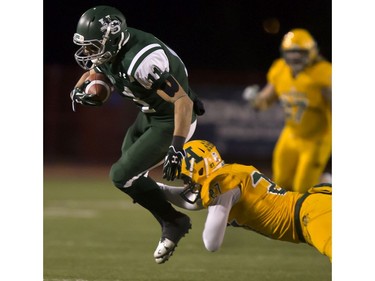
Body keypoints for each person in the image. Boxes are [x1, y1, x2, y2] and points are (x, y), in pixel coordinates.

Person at [69, 5, 205, 264]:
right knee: (130, 171)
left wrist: (176, 147)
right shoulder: (114, 47)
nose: (88, 53)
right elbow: (98, 72)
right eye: (86, 46)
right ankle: (177, 206)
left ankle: (177, 217)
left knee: (121, 175)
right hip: (150, 113)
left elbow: (183, 103)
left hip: (171, 120)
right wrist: (85, 92)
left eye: (92, 46)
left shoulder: (141, 63)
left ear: (113, 38)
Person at [158, 139, 332, 262]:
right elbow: (191, 201)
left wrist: (218, 207)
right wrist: (151, 187)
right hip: (315, 207)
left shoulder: (223, 185)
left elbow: (211, 242)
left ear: (199, 170)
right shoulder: (229, 174)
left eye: (187, 178)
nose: (188, 184)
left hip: (312, 217)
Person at [242, 28, 332, 193]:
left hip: (317, 137)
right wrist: (256, 100)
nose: (295, 57)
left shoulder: (324, 73)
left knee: (303, 187)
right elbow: (266, 100)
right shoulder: (280, 70)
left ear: (312, 52)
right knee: (280, 182)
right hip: (291, 133)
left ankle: (326, 185)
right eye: (291, 53)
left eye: (300, 52)